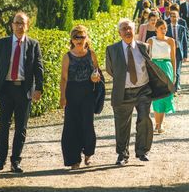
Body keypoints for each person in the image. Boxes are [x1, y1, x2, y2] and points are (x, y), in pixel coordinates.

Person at [105, 18, 173, 165]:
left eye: (129, 28)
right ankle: (122, 155)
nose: (127, 31)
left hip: (143, 90)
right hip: (123, 92)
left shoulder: (144, 47)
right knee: (122, 124)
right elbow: (110, 70)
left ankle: (142, 151)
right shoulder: (112, 49)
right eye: (124, 29)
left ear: (134, 31)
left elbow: (150, 66)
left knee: (144, 119)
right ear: (119, 33)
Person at [0, 12, 44, 173]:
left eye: (22, 23)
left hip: (24, 90)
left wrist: (39, 89)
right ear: (12, 25)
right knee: (4, 125)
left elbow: (38, 69)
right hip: (5, 89)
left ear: (27, 26)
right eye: (17, 23)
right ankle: (1, 158)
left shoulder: (33, 44)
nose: (19, 26)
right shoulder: (2, 43)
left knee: (21, 127)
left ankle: (15, 161)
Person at [60, 25, 103, 169]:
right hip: (72, 93)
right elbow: (64, 78)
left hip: (87, 93)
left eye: (82, 37)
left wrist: (95, 76)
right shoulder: (67, 56)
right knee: (71, 126)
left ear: (86, 38)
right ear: (72, 39)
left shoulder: (91, 54)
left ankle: (88, 154)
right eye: (76, 37)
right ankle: (74, 160)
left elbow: (97, 71)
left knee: (87, 124)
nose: (79, 40)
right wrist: (62, 97)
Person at [147, 19, 176, 133]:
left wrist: (174, 74)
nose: (164, 30)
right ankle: (157, 123)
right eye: (161, 28)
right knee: (156, 96)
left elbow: (173, 58)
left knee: (166, 96)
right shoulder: (150, 41)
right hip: (155, 68)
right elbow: (147, 58)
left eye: (165, 28)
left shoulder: (171, 41)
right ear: (156, 29)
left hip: (167, 67)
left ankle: (161, 124)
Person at [167, 9, 189, 92]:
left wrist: (186, 55)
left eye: (175, 16)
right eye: (172, 16)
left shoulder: (182, 28)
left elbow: (185, 42)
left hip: (179, 51)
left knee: (177, 70)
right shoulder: (166, 28)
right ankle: (171, 86)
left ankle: (175, 88)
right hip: (169, 52)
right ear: (170, 18)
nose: (173, 18)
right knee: (171, 69)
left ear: (178, 18)